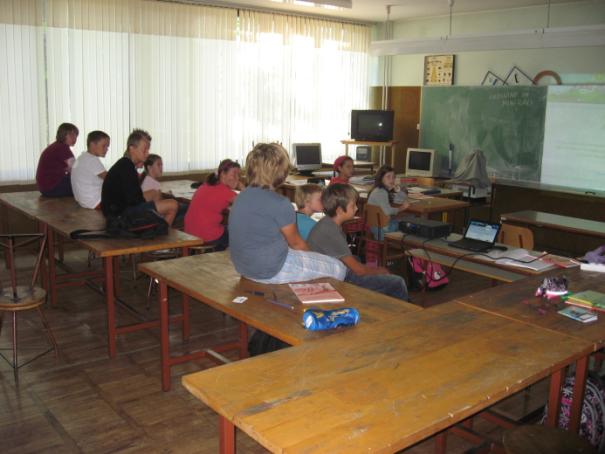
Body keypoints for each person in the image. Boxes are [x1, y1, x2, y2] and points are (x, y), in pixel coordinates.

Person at [228, 143, 346, 284]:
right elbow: (297, 244)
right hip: (271, 270)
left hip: (244, 268)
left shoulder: (241, 197)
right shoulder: (280, 203)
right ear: (280, 171)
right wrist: (317, 259)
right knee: (339, 268)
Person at [307, 183, 408, 300]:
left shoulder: (329, 223)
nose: (356, 208)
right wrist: (378, 271)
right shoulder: (331, 231)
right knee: (397, 283)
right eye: (353, 205)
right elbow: (359, 270)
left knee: (357, 259)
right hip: (331, 279)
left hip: (331, 270)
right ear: (339, 210)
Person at [101, 129, 178, 226]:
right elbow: (135, 201)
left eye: (148, 150)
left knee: (154, 192)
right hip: (119, 215)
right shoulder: (127, 168)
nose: (147, 153)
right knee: (173, 204)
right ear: (132, 148)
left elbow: (134, 196)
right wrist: (149, 206)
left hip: (116, 210)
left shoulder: (125, 163)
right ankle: (161, 230)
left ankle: (156, 222)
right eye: (145, 149)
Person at [184, 159, 243, 250]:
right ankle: (221, 255)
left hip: (189, 233)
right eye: (234, 174)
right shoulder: (225, 191)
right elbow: (247, 203)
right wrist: (241, 187)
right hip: (206, 235)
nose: (237, 178)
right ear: (223, 174)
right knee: (241, 234)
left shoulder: (206, 185)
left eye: (239, 175)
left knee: (227, 228)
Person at [367, 165, 410, 240]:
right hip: (382, 230)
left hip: (377, 227)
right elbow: (388, 211)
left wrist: (398, 190)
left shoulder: (381, 189)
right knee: (409, 222)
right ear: (381, 178)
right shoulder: (381, 192)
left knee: (404, 220)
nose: (391, 180)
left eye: (393, 177)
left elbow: (402, 199)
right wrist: (401, 208)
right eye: (388, 177)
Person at [36, 123, 79, 197]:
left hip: (45, 187)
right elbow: (76, 168)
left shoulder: (56, 146)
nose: (75, 138)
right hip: (52, 187)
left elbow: (71, 168)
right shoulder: (62, 148)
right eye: (71, 135)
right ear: (63, 135)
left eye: (76, 135)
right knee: (87, 186)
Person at [70, 130, 109, 209]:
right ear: (92, 144)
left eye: (107, 146)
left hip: (84, 201)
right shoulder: (92, 160)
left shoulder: (82, 157)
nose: (106, 149)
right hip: (95, 201)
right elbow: (111, 179)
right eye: (104, 146)